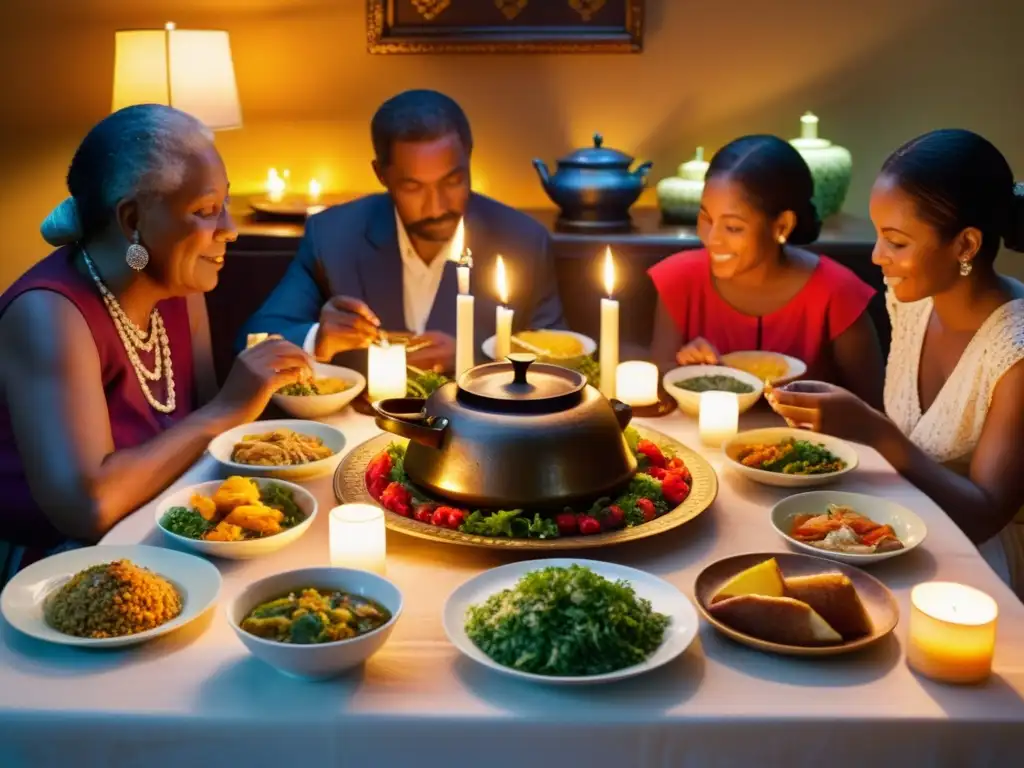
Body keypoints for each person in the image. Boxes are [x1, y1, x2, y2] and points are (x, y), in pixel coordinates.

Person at [0, 104, 312, 584]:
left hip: (160, 531)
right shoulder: (49, 313)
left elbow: (204, 444)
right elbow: (86, 508)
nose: (229, 228)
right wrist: (227, 408)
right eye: (206, 211)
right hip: (54, 569)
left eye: (224, 204)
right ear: (132, 221)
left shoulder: (178, 288)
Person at [771, 129, 1024, 598]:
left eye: (897, 242)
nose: (876, 256)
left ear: (966, 246)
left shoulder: (1016, 350)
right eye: (878, 234)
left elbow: (987, 513)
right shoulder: (913, 302)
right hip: (898, 528)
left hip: (975, 569)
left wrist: (874, 430)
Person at [240, 89, 565, 372]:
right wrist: (318, 339)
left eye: (452, 181)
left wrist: (475, 361)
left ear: (469, 157)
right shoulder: (332, 236)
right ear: (381, 174)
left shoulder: (523, 240)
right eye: (413, 187)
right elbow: (252, 342)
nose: (436, 207)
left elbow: (561, 364)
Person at [648, 135, 883, 406]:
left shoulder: (837, 294)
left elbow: (873, 412)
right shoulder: (679, 279)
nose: (712, 238)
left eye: (733, 227)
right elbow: (659, 391)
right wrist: (685, 370)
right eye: (705, 218)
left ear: (781, 226)